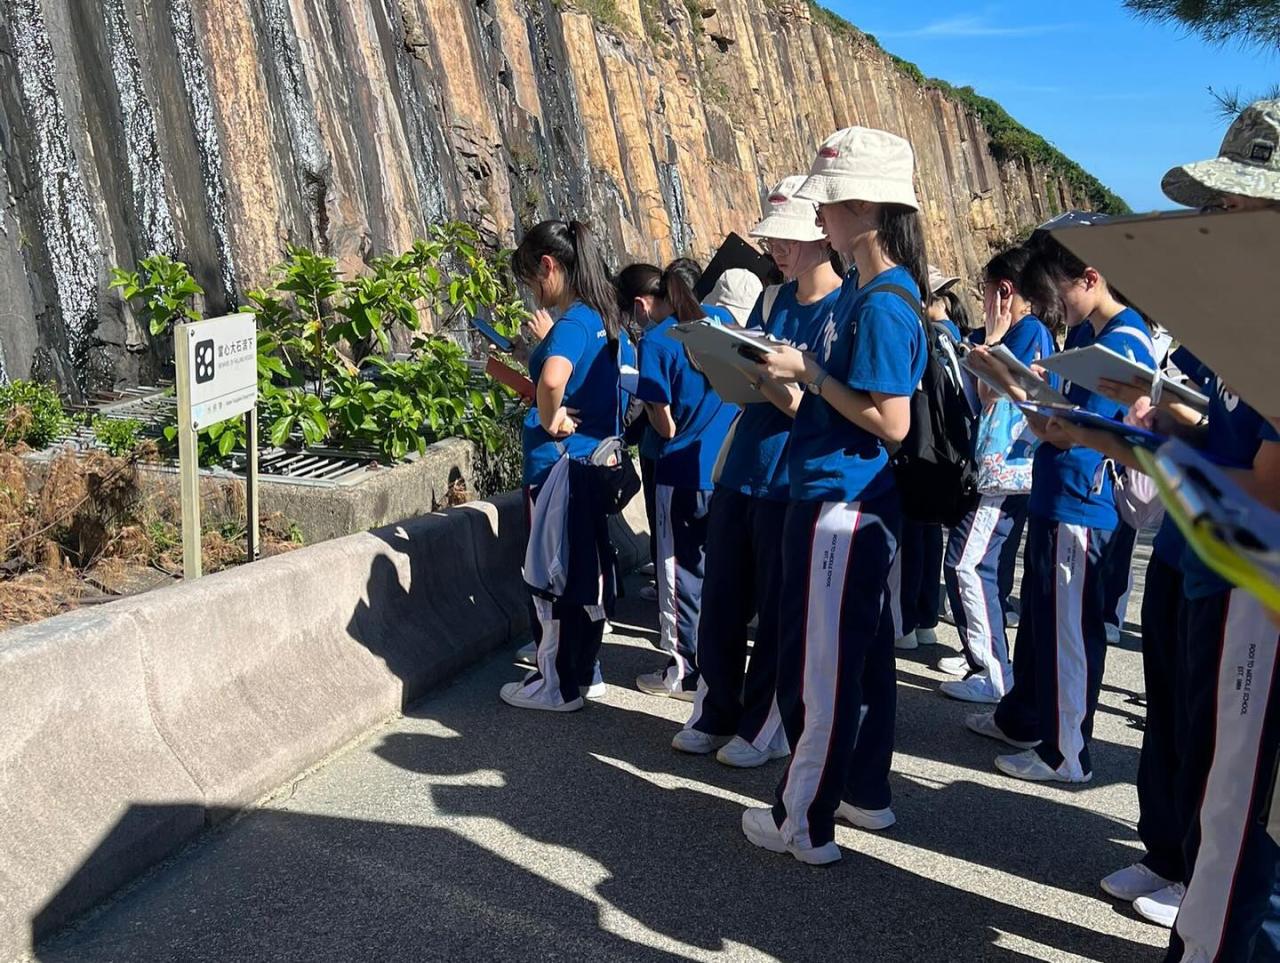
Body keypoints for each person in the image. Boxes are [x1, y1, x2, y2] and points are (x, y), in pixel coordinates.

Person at [1052, 99, 1280, 952]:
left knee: (1240, 821)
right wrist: (1155, 422)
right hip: (1222, 570)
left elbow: (1266, 490)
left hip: (1256, 587)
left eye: (1235, 203)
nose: (1215, 220)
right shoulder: (1242, 317)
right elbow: (1231, 439)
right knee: (1217, 789)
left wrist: (1126, 439)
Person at [738, 126, 929, 865]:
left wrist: (810, 374)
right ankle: (833, 800)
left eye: (829, 201)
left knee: (819, 670)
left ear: (865, 208)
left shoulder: (881, 302)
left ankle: (804, 822)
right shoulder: (869, 293)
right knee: (835, 660)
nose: (817, 215)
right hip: (834, 499)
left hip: (841, 505)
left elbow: (891, 422)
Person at [964, 224, 1155, 784]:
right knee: (1047, 624)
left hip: (1082, 506)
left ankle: (1067, 753)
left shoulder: (1121, 342)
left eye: (1058, 290)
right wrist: (1018, 386)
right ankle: (1031, 723)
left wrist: (1014, 387)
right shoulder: (1094, 334)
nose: (1054, 304)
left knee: (1070, 634)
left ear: (1091, 278)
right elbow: (1058, 421)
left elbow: (1069, 430)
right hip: (1062, 498)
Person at [675, 176, 843, 767]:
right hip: (741, 468)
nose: (777, 249)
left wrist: (770, 381)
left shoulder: (844, 309)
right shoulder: (772, 300)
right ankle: (714, 709)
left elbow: (819, 408)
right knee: (721, 600)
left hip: (791, 482)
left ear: (822, 235)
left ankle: (763, 726)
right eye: (773, 239)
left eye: (787, 239)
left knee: (777, 612)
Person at [500, 220, 633, 712]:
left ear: (549, 266)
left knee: (548, 576)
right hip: (594, 461)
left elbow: (554, 379)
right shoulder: (607, 317)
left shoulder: (573, 322)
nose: (534, 294)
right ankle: (583, 671)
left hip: (557, 469)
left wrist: (550, 417)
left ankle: (554, 685)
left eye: (532, 281)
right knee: (583, 573)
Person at [938, 246, 1055, 704]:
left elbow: (990, 394)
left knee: (967, 563)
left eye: (986, 290)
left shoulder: (1025, 332)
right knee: (982, 561)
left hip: (1004, 469)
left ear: (1005, 290)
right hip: (1009, 469)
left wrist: (994, 338)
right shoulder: (1036, 331)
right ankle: (982, 658)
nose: (982, 299)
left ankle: (991, 670)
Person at [633, 261, 739, 700]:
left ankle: (683, 671)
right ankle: (719, 666)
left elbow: (666, 426)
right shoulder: (723, 320)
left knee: (678, 574)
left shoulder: (657, 341)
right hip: (725, 468)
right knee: (719, 573)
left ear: (643, 303)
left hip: (680, 472)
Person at [890, 264, 969, 652]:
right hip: (940, 451)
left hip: (912, 446)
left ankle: (904, 622)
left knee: (909, 537)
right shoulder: (951, 338)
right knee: (928, 534)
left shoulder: (918, 335)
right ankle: (925, 619)